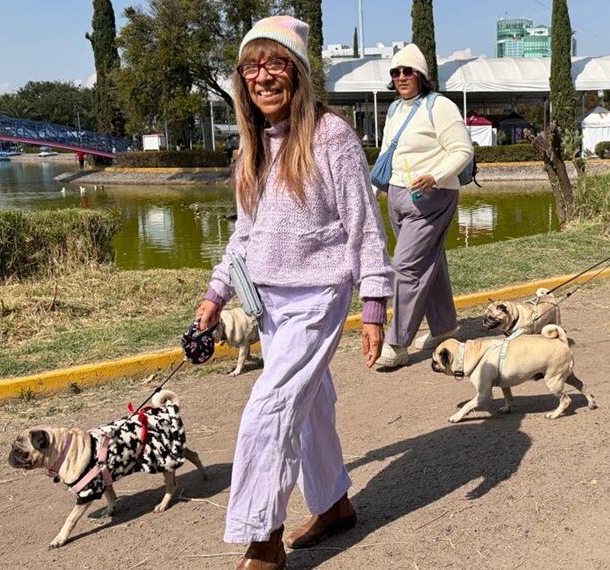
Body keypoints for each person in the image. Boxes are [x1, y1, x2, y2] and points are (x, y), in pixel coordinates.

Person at [193, 16, 394, 569]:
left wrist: (373, 305)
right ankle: (333, 504)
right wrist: (216, 295)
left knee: (270, 407)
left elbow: (364, 226)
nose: (263, 77)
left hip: (319, 294)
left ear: (299, 73)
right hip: (269, 302)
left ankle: (263, 541)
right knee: (310, 406)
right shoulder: (251, 148)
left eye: (275, 63)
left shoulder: (332, 136)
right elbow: (244, 235)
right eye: (252, 66)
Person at [374, 44, 474, 368]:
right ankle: (445, 328)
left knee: (406, 267)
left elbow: (463, 151)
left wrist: (436, 176)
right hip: (398, 196)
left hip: (432, 198)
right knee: (432, 262)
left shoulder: (439, 106)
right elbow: (388, 155)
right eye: (396, 72)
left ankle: (398, 343)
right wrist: (373, 192)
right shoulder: (393, 110)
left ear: (421, 75)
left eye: (408, 71)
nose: (401, 77)